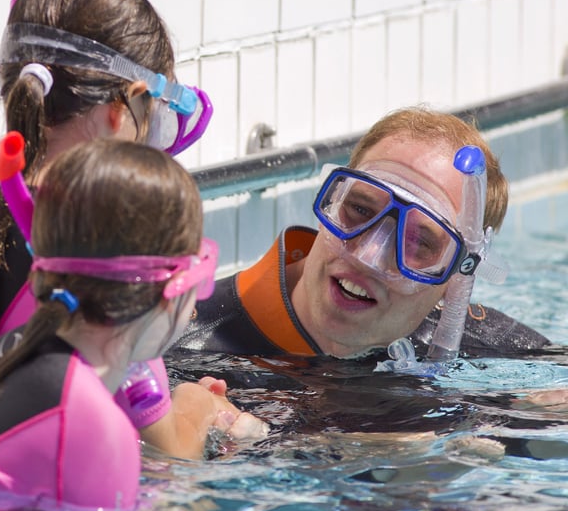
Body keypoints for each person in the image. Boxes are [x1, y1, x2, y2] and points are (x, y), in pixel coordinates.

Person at [0, 0, 240, 459]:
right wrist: (199, 406)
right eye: (153, 124)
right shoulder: (108, 254)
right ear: (121, 110)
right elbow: (174, 454)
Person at [0, 140, 265, 511]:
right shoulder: (97, 428)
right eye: (199, 279)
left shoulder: (18, 351)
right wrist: (229, 473)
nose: (197, 304)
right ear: (168, 291)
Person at [176, 107, 549, 359]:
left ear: (457, 280)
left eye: (419, 242)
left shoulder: (496, 353)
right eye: (359, 210)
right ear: (332, 201)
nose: (366, 256)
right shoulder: (181, 347)